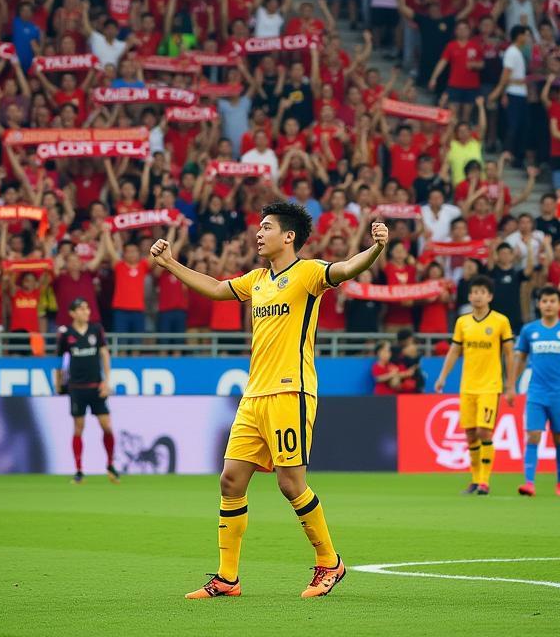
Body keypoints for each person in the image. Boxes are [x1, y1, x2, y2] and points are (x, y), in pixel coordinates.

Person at [151, 201, 389, 599]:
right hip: (254, 395)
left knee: (290, 482)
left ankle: (330, 562)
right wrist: (171, 264)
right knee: (230, 480)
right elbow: (213, 288)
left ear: (288, 235)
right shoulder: (256, 279)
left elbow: (346, 268)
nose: (258, 234)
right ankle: (228, 579)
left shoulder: (308, 273)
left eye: (266, 227)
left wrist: (377, 249)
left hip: (290, 390)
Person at [433, 274, 514, 495]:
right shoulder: (463, 322)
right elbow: (454, 351)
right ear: (469, 296)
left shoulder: (500, 321)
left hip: (490, 385)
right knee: (470, 434)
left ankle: (485, 481)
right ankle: (475, 479)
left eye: (482, 292)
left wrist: (511, 385)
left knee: (484, 432)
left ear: (490, 296)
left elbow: (509, 354)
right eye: (474, 292)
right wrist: (442, 377)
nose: (478, 296)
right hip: (467, 386)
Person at [507, 286, 560, 497]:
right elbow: (520, 358)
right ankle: (529, 483)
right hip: (536, 392)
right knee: (533, 436)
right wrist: (511, 386)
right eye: (544, 301)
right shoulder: (529, 330)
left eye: (552, 301)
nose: (548, 304)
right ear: (539, 304)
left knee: (559, 438)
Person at [54, 297, 119, 484]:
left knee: (106, 426)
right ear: (72, 313)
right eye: (81, 309)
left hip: (96, 386)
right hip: (76, 387)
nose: (86, 312)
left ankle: (110, 465)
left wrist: (107, 381)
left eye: (87, 309)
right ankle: (79, 469)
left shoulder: (96, 329)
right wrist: (58, 383)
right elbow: (59, 361)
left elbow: (105, 354)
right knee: (78, 428)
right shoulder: (66, 334)